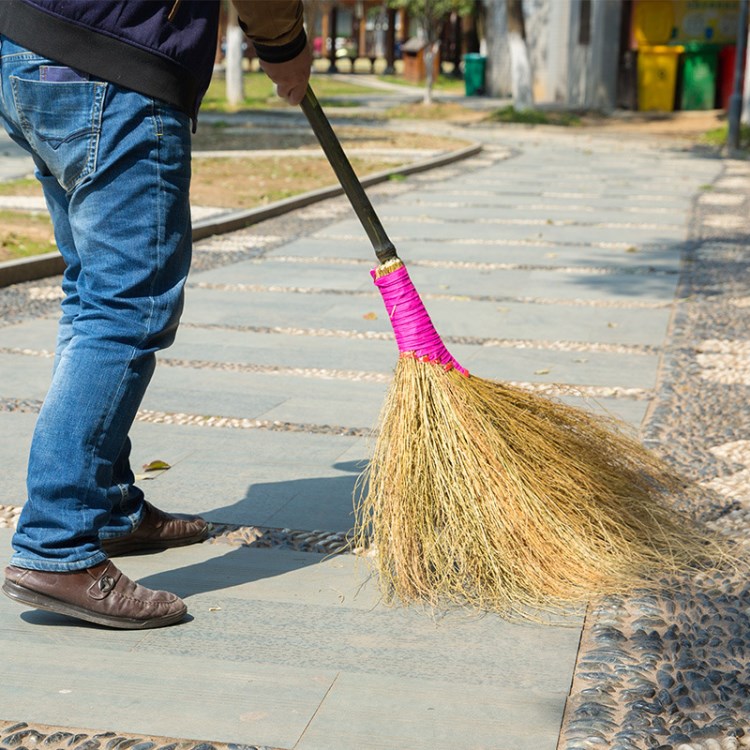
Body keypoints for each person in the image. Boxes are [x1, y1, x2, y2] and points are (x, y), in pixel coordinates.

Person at [0, 0, 312, 629]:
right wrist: (283, 44)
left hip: (27, 43)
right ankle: (57, 543)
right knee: (125, 305)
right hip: (119, 60)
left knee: (93, 289)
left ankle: (106, 506)